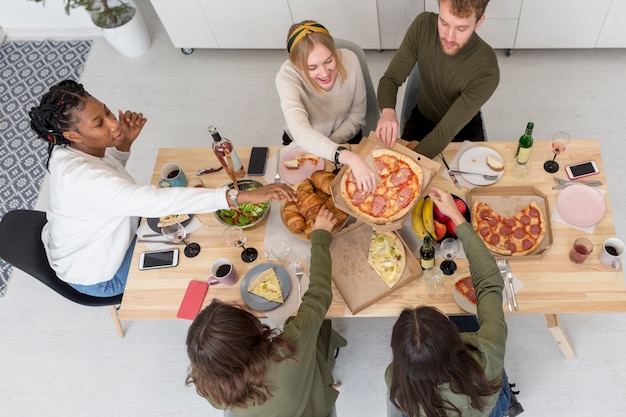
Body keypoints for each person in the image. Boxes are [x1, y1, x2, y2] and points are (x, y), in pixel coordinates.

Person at [28, 80, 294, 298]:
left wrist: (122, 149)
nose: (113, 123)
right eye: (99, 123)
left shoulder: (67, 149)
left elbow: (111, 184)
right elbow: (150, 200)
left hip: (88, 241)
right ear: (72, 135)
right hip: (98, 272)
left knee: (193, 223)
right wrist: (241, 196)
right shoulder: (81, 177)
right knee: (194, 256)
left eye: (108, 112)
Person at [186, 207, 347, 417]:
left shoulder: (207, 374)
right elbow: (318, 297)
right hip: (316, 409)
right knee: (303, 326)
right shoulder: (288, 352)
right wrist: (320, 238)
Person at [387, 187, 510, 417]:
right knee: (467, 320)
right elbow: (490, 284)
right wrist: (457, 217)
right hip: (487, 405)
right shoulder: (489, 351)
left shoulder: (394, 378)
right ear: (453, 337)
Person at [375, 0, 500, 158]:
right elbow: (391, 79)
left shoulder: (487, 69)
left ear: (479, 22)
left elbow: (445, 131)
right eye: (443, 22)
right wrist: (387, 112)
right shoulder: (423, 25)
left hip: (463, 127)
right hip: (422, 118)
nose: (449, 37)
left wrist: (409, 162)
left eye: (461, 28)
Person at [276, 20, 377, 192]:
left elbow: (357, 116)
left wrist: (329, 149)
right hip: (301, 146)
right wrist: (347, 157)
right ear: (297, 65)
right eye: (312, 67)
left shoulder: (350, 60)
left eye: (329, 60)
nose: (324, 73)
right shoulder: (286, 77)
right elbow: (301, 131)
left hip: (345, 138)